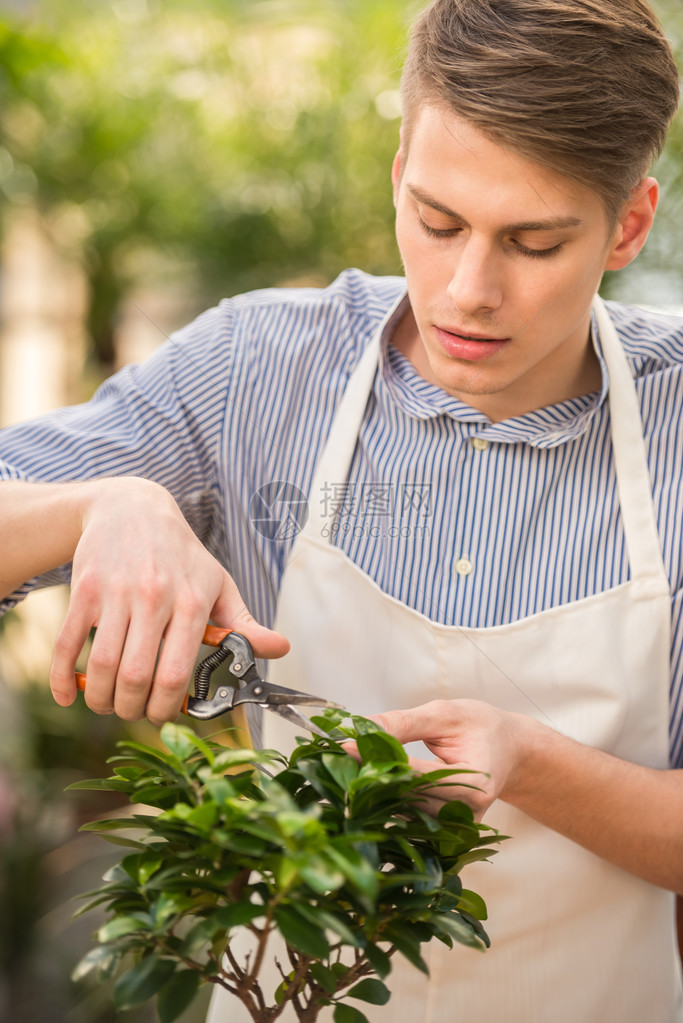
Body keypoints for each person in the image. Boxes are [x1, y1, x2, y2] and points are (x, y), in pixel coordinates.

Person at [1, 0, 682, 1018]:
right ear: (400, 160)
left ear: (627, 223)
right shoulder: (252, 370)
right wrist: (106, 503)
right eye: (436, 220)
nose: (465, 290)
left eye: (532, 243)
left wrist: (533, 763)